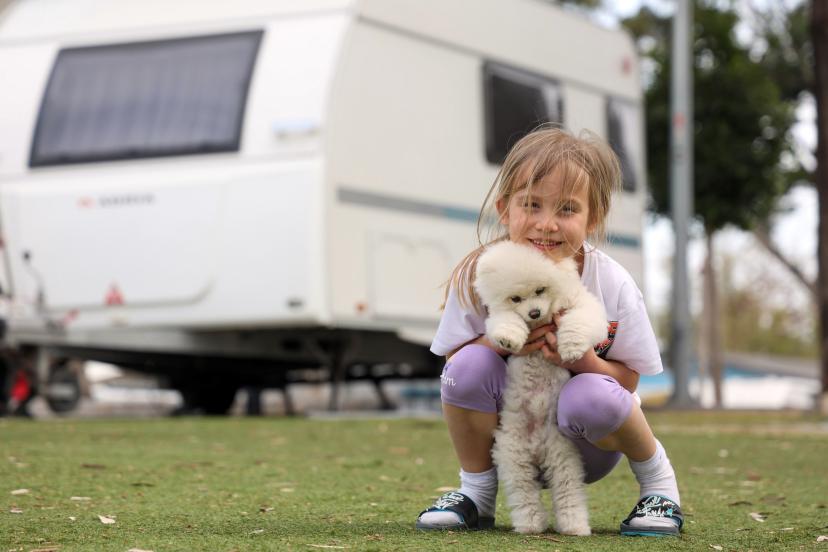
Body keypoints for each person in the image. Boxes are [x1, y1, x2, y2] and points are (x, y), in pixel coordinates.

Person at [415, 127, 683, 536]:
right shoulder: (480, 275)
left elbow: (629, 379)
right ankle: (476, 493)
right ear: (505, 209)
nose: (547, 224)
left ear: (593, 218)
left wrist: (584, 360)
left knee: (591, 395)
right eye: (532, 204)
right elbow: (456, 368)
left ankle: (659, 486)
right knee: (468, 366)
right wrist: (505, 344)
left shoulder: (612, 282)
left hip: (587, 444)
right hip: (511, 435)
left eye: (567, 209)